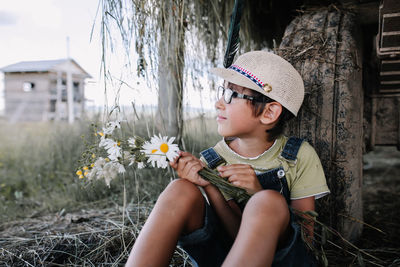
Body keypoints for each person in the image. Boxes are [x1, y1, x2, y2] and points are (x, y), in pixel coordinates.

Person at [125, 51, 330, 267]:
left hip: (284, 260)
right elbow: (234, 233)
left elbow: (307, 240)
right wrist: (210, 186)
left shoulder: (298, 156)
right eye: (222, 92)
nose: (218, 104)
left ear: (269, 113)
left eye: (231, 96)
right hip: (228, 257)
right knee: (179, 189)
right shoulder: (214, 159)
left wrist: (257, 194)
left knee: (268, 201)